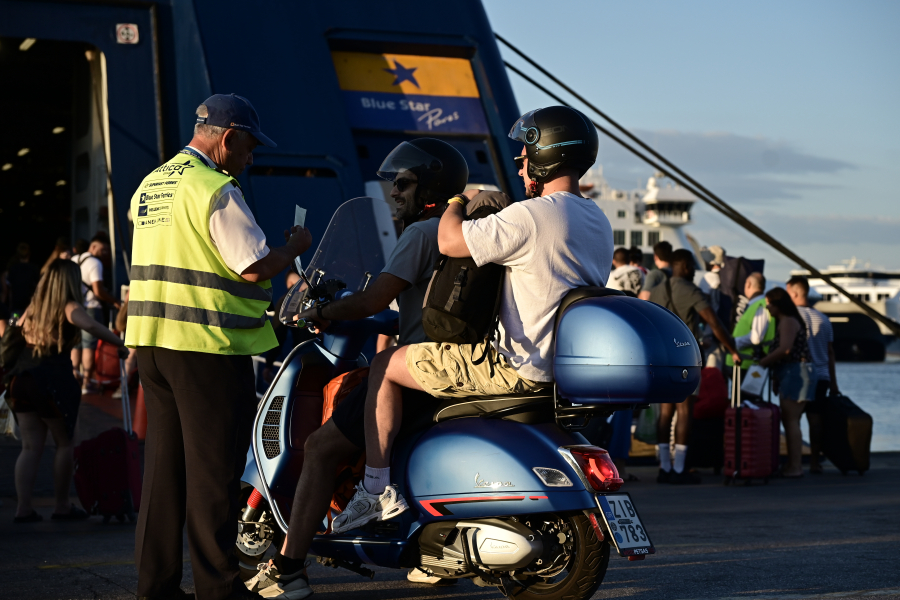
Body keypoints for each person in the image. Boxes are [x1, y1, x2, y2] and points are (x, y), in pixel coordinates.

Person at [329, 105, 613, 536]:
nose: (519, 168)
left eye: (523, 157)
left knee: (386, 367)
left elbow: (449, 238)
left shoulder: (533, 215)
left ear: (545, 155)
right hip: (559, 371)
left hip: (513, 367)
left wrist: (459, 200)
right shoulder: (598, 220)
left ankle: (374, 489)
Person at [244, 138, 473, 598]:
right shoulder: (464, 234)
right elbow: (416, 307)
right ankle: (430, 555)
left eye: (404, 184)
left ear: (429, 186)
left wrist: (321, 313)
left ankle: (289, 568)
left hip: (417, 370)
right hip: (454, 366)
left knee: (321, 445)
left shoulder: (420, 234)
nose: (394, 193)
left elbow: (373, 299)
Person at [126, 93, 312, 600]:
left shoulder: (151, 184)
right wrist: (293, 249)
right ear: (228, 138)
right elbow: (251, 265)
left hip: (152, 344)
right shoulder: (215, 189)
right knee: (214, 473)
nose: (251, 158)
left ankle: (156, 587)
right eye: (249, 147)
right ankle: (219, 587)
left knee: (163, 473)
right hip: (208, 346)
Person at [5, 259, 128, 523]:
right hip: (51, 381)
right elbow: (93, 326)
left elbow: (15, 332)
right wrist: (120, 343)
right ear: (70, 281)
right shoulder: (68, 306)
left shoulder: (32, 308)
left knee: (29, 447)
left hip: (22, 379)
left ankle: (23, 509)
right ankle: (62, 506)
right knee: (63, 444)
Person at [649, 249, 742, 484]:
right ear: (687, 267)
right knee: (684, 412)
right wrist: (732, 349)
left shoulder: (657, 291)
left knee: (665, 413)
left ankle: (664, 467)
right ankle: (680, 469)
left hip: (662, 360)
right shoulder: (691, 290)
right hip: (685, 360)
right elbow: (714, 322)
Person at [758, 287, 816, 478]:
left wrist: (762, 364)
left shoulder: (788, 321)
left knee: (791, 420)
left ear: (778, 304)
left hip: (795, 373)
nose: (768, 309)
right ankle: (793, 463)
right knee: (791, 419)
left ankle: (795, 466)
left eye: (769, 304)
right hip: (791, 373)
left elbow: (785, 349)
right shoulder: (786, 321)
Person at [786, 276, 837, 475]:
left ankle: (794, 462)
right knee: (816, 421)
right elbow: (830, 353)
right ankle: (815, 462)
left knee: (793, 419)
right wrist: (834, 383)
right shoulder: (824, 319)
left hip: (800, 374)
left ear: (795, 293)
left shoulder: (792, 317)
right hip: (823, 375)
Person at [71, 233, 122, 394]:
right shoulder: (95, 263)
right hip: (91, 308)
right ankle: (87, 382)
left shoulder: (73, 261)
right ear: (93, 247)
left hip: (74, 308)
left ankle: (74, 378)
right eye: (103, 249)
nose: (105, 253)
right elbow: (98, 291)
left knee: (76, 344)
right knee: (89, 346)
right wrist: (114, 301)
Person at [725, 272, 774, 383]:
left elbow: (756, 337)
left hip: (747, 364)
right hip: (744, 364)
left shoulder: (760, 305)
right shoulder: (756, 305)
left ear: (748, 284)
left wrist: (732, 343)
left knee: (744, 399)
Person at [6, 242, 41, 316]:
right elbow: (38, 288)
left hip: (17, 306)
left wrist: (9, 305)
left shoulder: (13, 269)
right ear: (29, 254)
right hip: (30, 306)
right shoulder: (34, 269)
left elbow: (9, 289)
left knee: (15, 325)